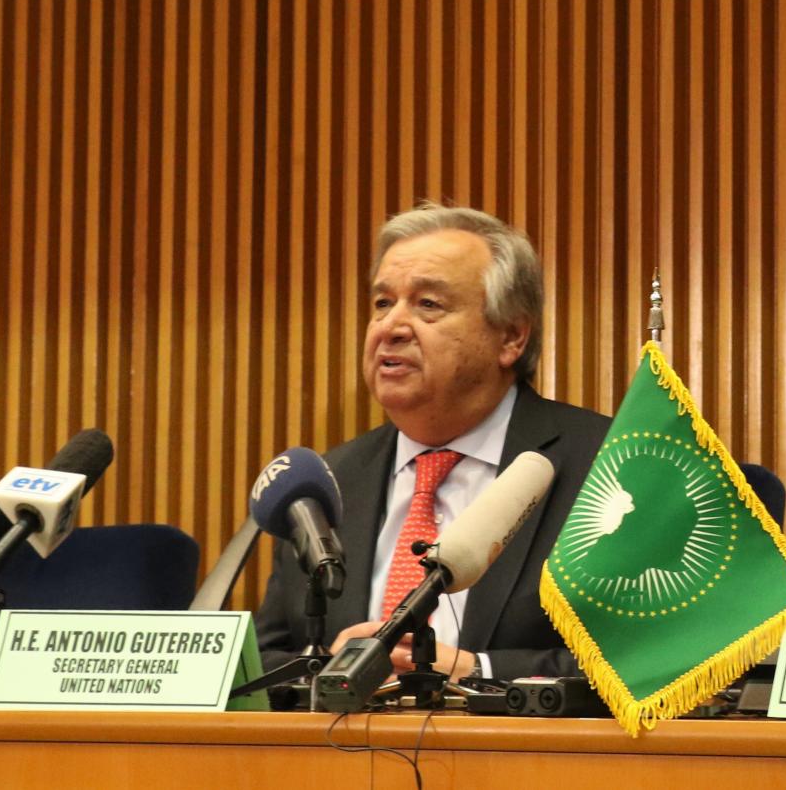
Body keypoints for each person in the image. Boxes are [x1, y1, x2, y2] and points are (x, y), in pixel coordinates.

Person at [255, 203, 610, 682]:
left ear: (511, 337)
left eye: (428, 305)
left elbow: (656, 662)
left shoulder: (605, 465)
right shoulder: (327, 483)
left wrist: (478, 671)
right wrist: (324, 670)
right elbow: (267, 662)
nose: (391, 327)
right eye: (383, 303)